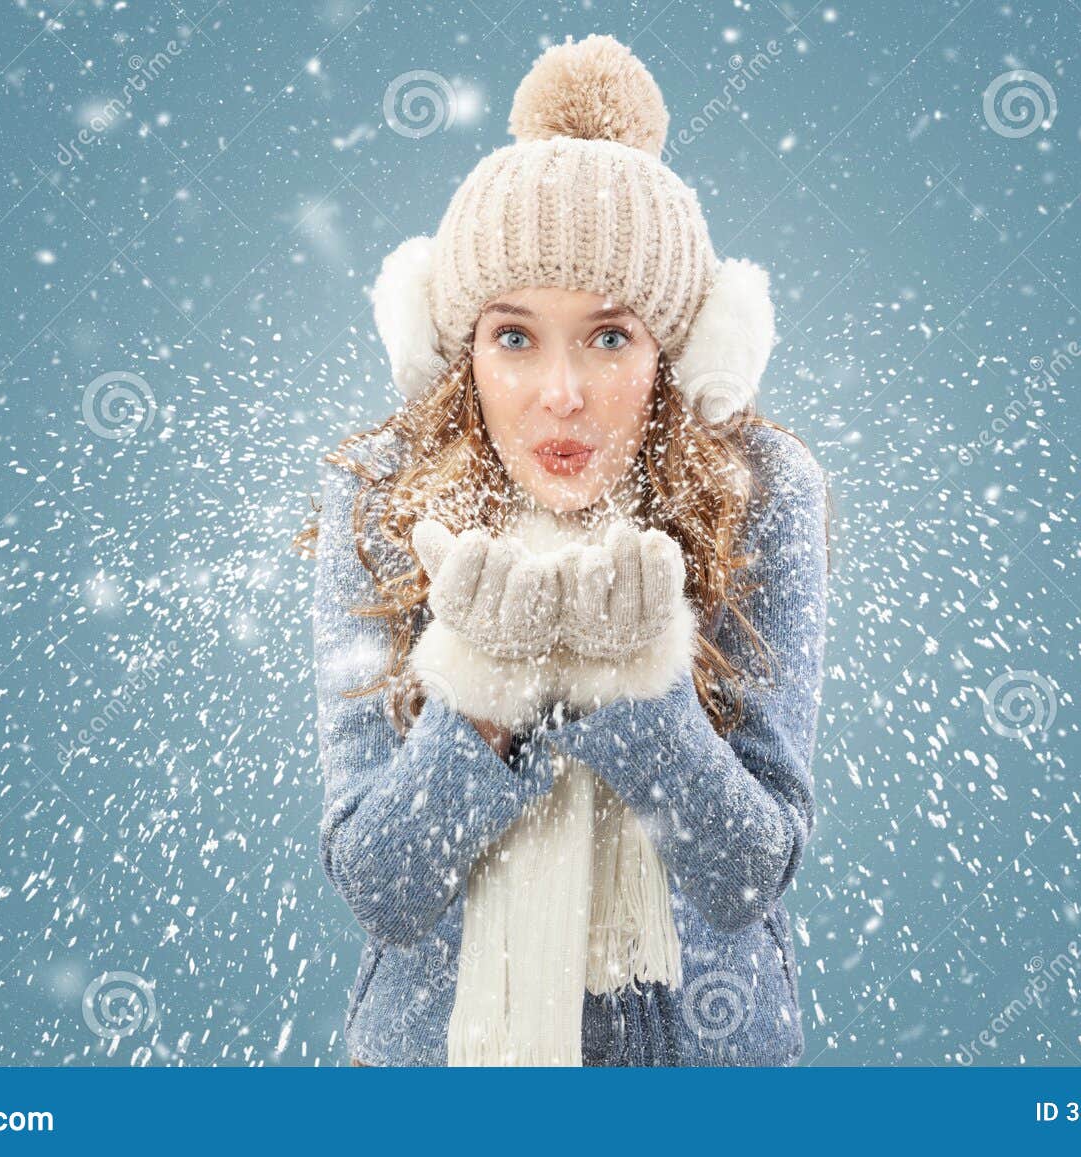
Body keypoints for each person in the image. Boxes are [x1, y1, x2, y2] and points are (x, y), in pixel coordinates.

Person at [298, 34, 829, 1066]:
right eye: (514, 335)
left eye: (610, 335)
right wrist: (487, 698)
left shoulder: (756, 493)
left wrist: (635, 691)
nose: (561, 393)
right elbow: (384, 888)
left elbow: (743, 874)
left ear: (679, 351)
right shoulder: (381, 498)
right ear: (455, 344)